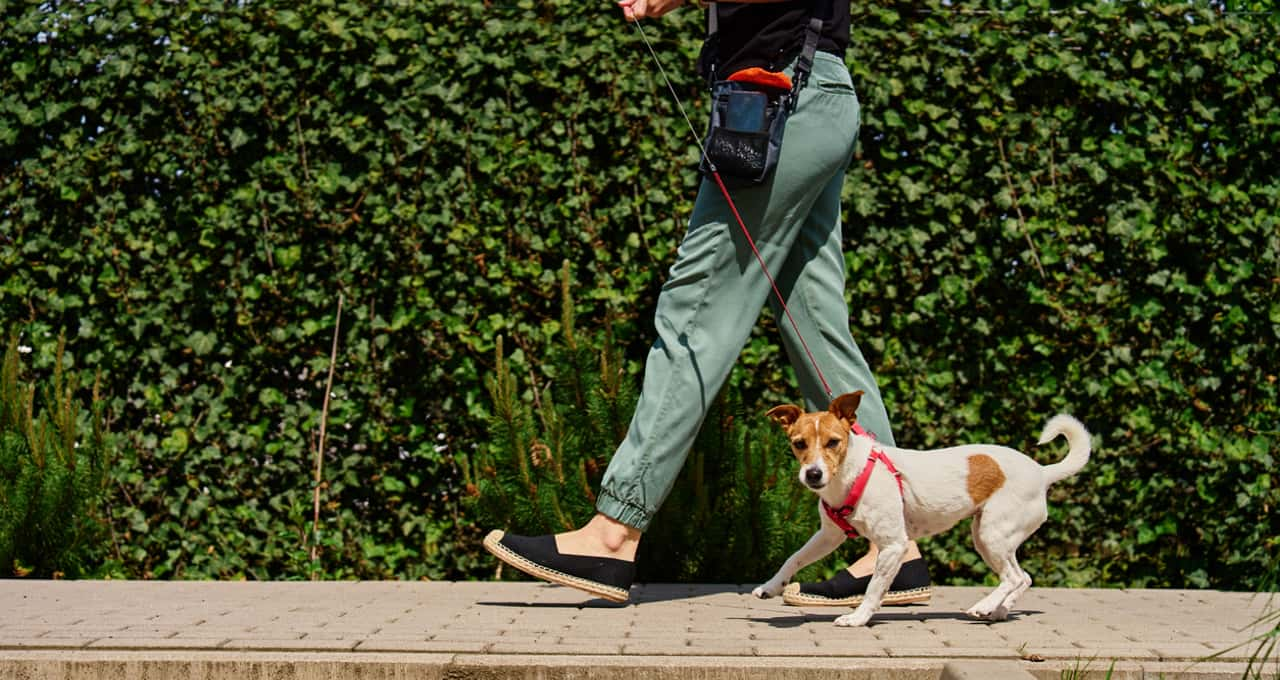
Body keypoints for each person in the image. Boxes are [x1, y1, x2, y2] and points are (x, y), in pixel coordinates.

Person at [483, 0, 931, 607]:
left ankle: (613, 534)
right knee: (816, 326)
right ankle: (894, 546)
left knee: (693, 312)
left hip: (783, 101)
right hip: (815, 96)